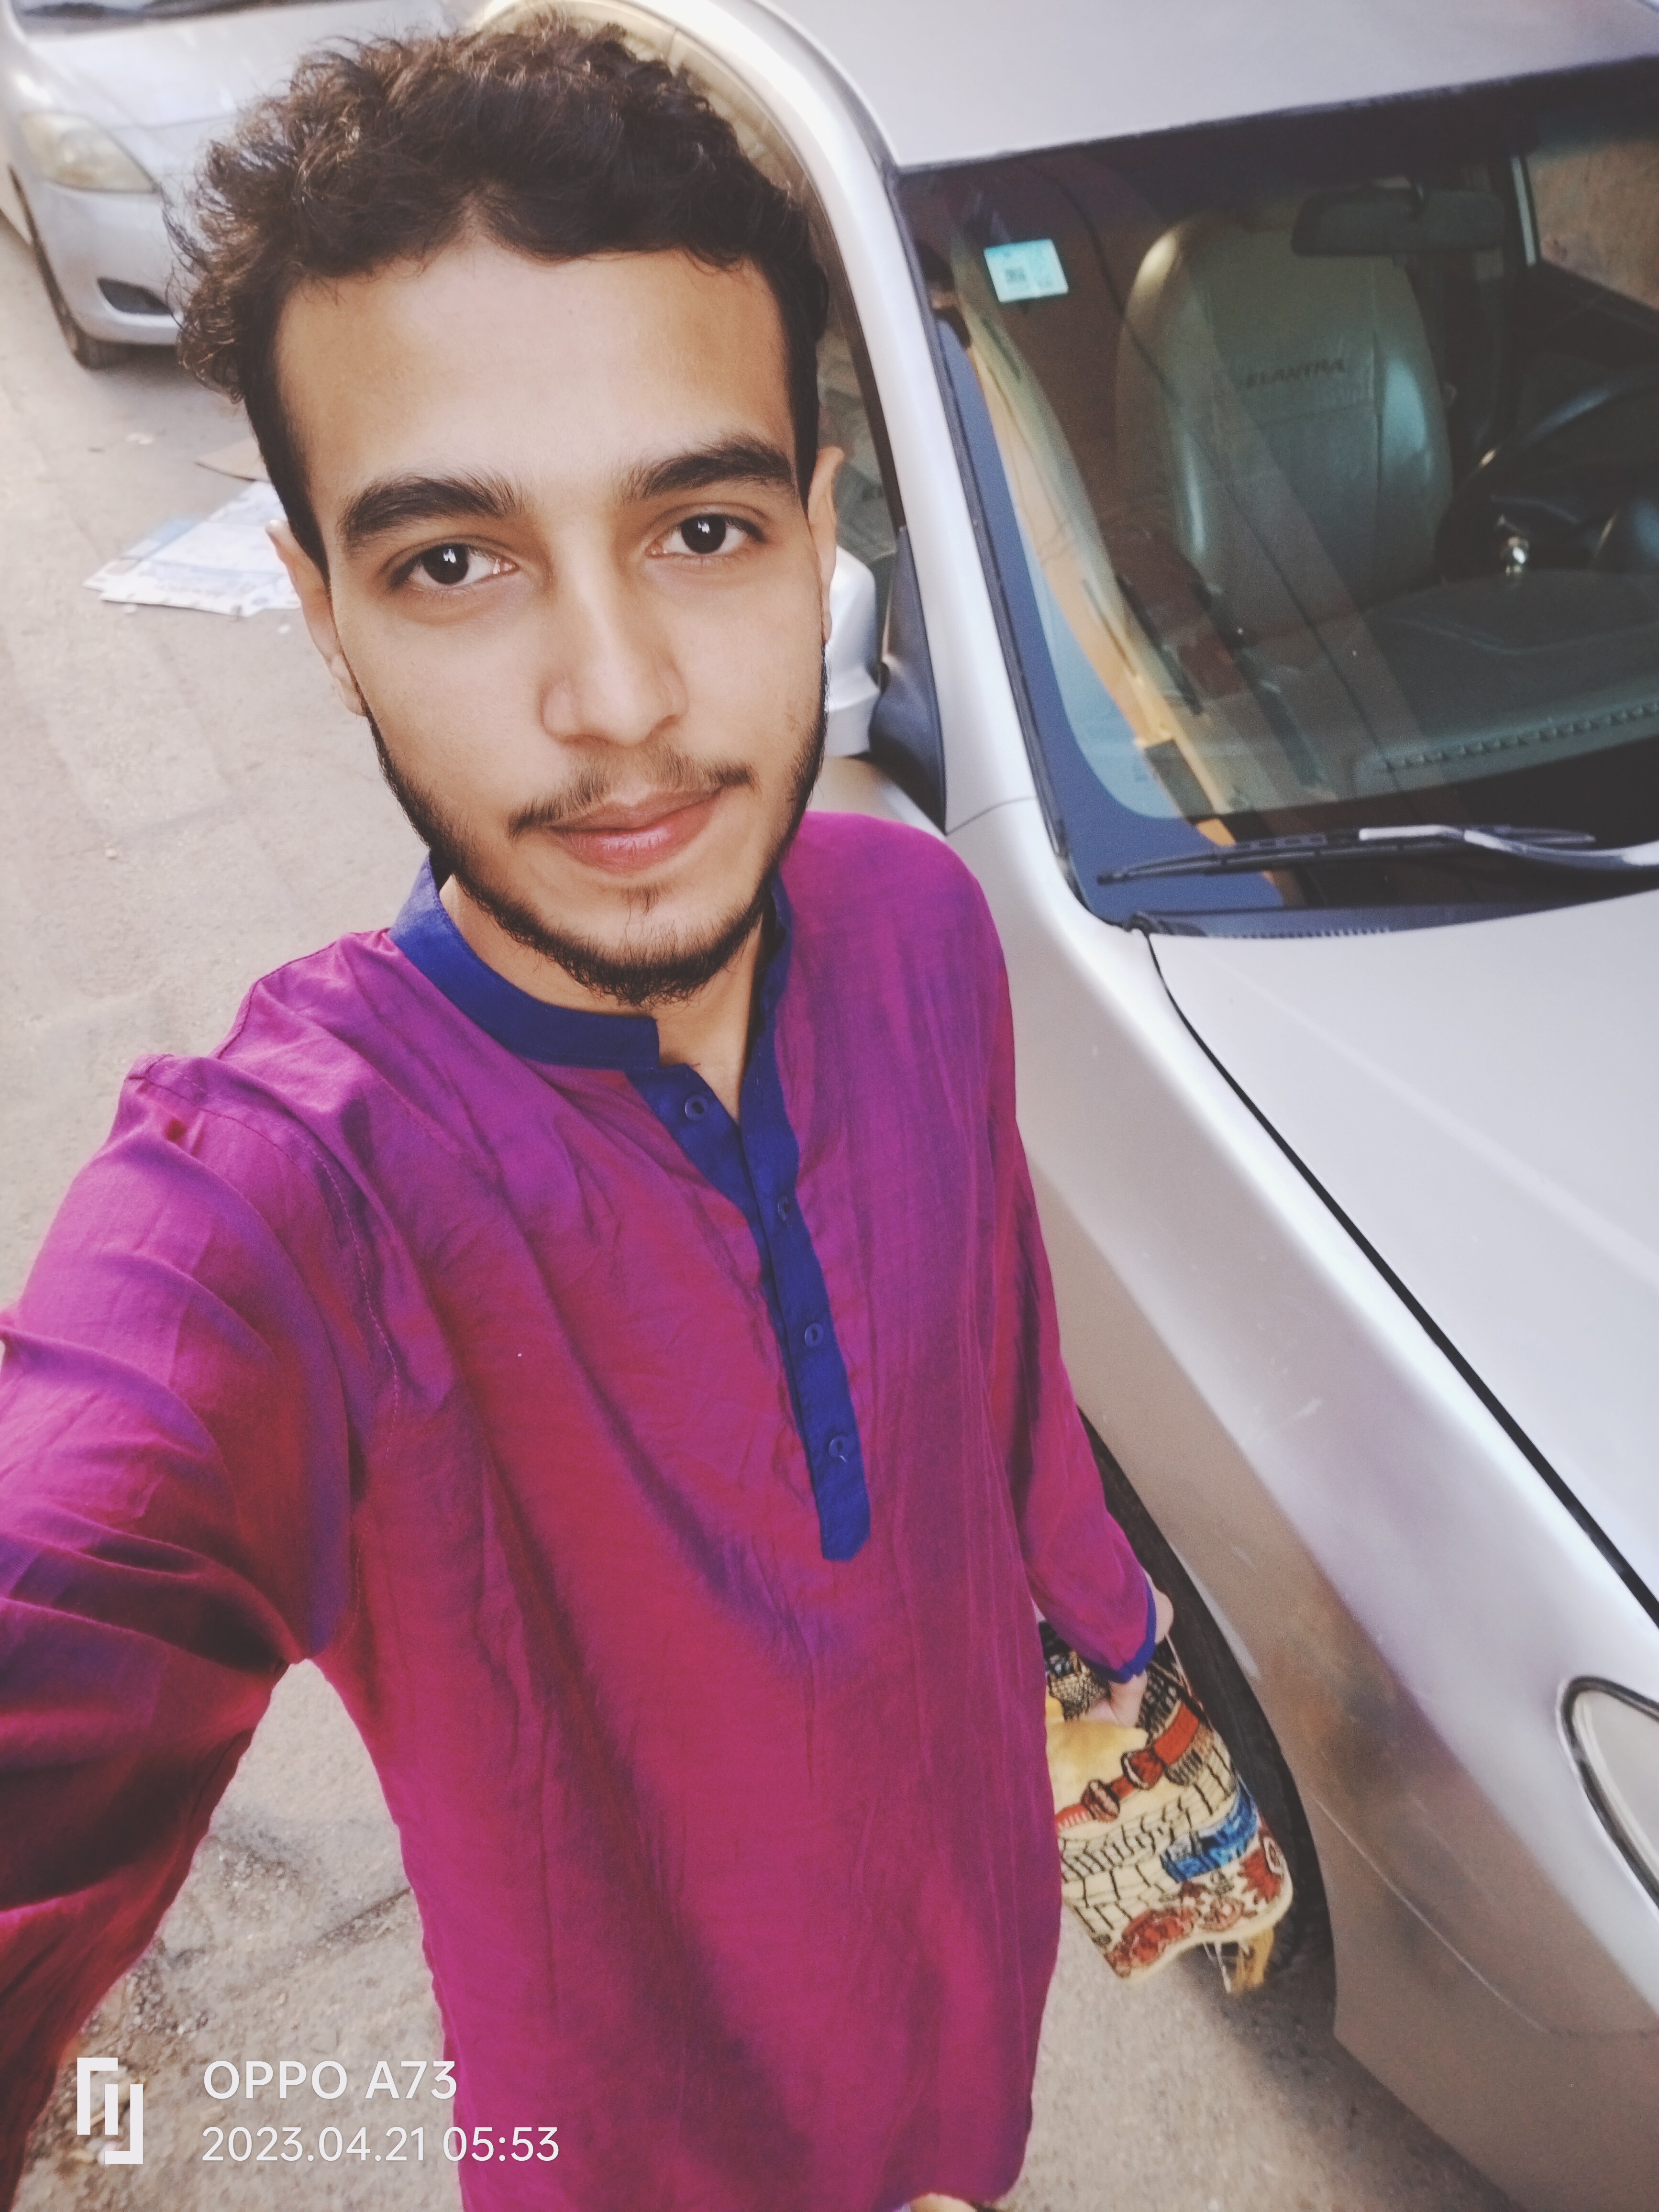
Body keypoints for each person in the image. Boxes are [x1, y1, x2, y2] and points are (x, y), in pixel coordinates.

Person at [0, 22, 1170, 2209]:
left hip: (972, 2047)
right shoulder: (286, 1212)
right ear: (321, 610)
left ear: (818, 529)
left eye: (702, 527)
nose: (619, 703)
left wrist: (1109, 1647)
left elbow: (999, 1371)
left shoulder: (921, 925)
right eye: (454, 562)